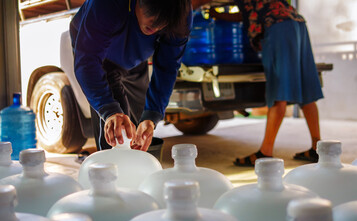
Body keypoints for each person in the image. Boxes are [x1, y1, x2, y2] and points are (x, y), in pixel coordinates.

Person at [207, 0, 323, 166]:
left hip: (277, 26)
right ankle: (318, 148)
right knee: (306, 90)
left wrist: (213, 13)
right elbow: (244, 14)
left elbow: (242, 13)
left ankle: (265, 152)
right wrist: (219, 15)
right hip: (297, 23)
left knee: (278, 91)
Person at [70, 0, 192, 152]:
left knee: (137, 134)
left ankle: (136, 172)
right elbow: (87, 63)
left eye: (163, 23)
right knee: (118, 131)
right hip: (101, 58)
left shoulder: (180, 13)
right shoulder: (105, 4)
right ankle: (112, 171)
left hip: (135, 58)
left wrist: (152, 116)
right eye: (153, 18)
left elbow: (168, 67)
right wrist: (109, 111)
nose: (156, 27)